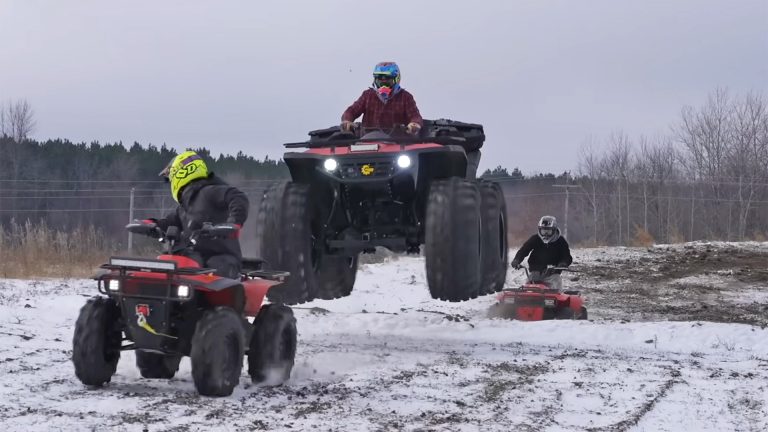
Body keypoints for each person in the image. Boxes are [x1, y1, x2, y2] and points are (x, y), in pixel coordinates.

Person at [147, 150, 249, 279]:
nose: (171, 182)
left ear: (180, 172)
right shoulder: (184, 208)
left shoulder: (210, 191)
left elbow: (238, 197)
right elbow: (167, 223)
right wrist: (150, 224)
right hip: (195, 260)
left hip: (222, 258)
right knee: (170, 263)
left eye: (171, 178)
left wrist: (234, 222)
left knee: (216, 268)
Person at [341, 61, 423, 136]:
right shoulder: (367, 95)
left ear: (396, 79)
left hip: (397, 142)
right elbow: (352, 110)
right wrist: (347, 120)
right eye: (380, 79)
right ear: (375, 80)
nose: (383, 83)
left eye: (387, 79)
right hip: (367, 141)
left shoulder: (405, 97)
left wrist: (414, 124)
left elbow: (415, 116)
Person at [510, 216, 572, 290]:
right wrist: (517, 260)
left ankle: (556, 298)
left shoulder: (561, 241)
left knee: (556, 281)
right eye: (543, 231)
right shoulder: (535, 239)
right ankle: (526, 299)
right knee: (528, 286)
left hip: (553, 273)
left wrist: (563, 263)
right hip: (535, 272)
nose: (545, 234)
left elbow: (567, 256)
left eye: (548, 231)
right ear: (539, 230)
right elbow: (524, 250)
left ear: (554, 230)